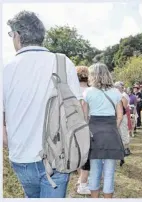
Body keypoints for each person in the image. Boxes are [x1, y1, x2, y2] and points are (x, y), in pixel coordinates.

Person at [3, 11, 82, 198]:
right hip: (59, 156)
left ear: (18, 35)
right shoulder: (63, 63)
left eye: (11, 34)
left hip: (22, 156)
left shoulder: (6, 69)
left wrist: (8, 141)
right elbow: (79, 112)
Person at [82, 63, 125, 198]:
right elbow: (119, 115)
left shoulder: (88, 92)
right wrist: (112, 127)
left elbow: (84, 117)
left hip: (94, 134)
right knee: (109, 172)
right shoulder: (116, 92)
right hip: (111, 133)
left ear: (93, 75)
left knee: (94, 171)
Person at [75, 66, 91, 195]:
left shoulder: (71, 90)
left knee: (77, 154)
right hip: (88, 126)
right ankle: (82, 182)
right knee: (87, 156)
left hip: (73, 127)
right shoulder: (91, 91)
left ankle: (81, 177)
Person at [115, 81, 131, 156]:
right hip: (117, 116)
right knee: (119, 132)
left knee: (124, 131)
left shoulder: (123, 95)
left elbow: (124, 106)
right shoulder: (118, 95)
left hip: (123, 115)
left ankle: (126, 148)